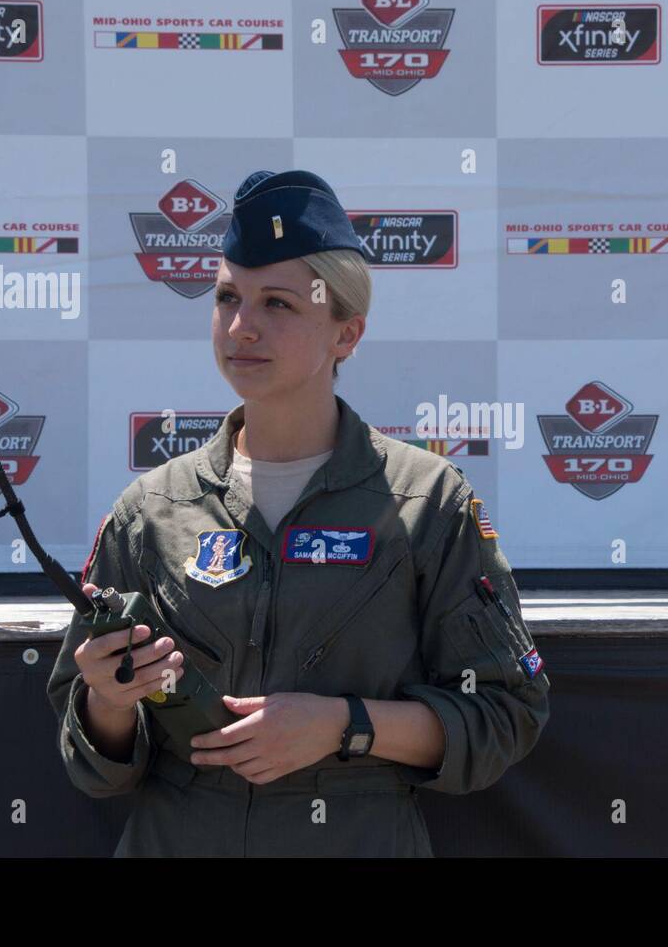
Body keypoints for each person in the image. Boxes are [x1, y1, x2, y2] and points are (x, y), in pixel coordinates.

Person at [46, 169, 550, 857]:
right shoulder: (153, 508)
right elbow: (92, 765)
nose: (241, 326)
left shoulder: (425, 502)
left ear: (346, 334)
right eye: (227, 297)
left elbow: (507, 713)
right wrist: (109, 700)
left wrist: (342, 725)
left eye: (278, 304)